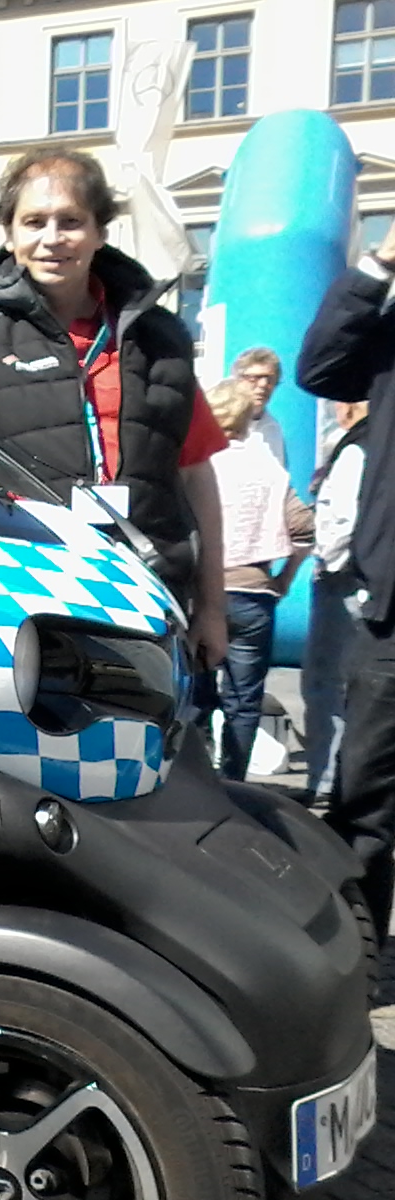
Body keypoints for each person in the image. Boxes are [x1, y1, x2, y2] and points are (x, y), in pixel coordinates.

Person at [0, 146, 230, 670]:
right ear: (10, 235)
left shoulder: (160, 337)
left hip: (152, 597)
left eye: (71, 221)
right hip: (21, 600)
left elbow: (198, 477)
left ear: (100, 232)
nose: (52, 238)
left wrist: (213, 608)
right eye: (34, 222)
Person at [297, 219, 395, 938]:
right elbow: (323, 368)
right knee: (366, 805)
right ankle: (360, 961)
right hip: (393, 615)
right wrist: (379, 265)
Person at [204, 378, 312, 781]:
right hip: (253, 593)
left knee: (195, 695)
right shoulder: (267, 467)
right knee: (244, 702)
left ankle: (194, 780)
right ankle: (233, 784)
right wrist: (285, 578)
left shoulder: (197, 465)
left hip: (202, 594)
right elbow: (305, 530)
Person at [302, 399, 370, 799]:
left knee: (326, 682)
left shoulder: (354, 449)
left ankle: (326, 780)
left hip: (341, 579)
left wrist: (328, 563)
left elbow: (343, 518)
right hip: (362, 577)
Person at [231, 346, 288, 468]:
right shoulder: (220, 423)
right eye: (254, 378)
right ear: (238, 380)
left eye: (270, 379)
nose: (263, 384)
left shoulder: (273, 428)